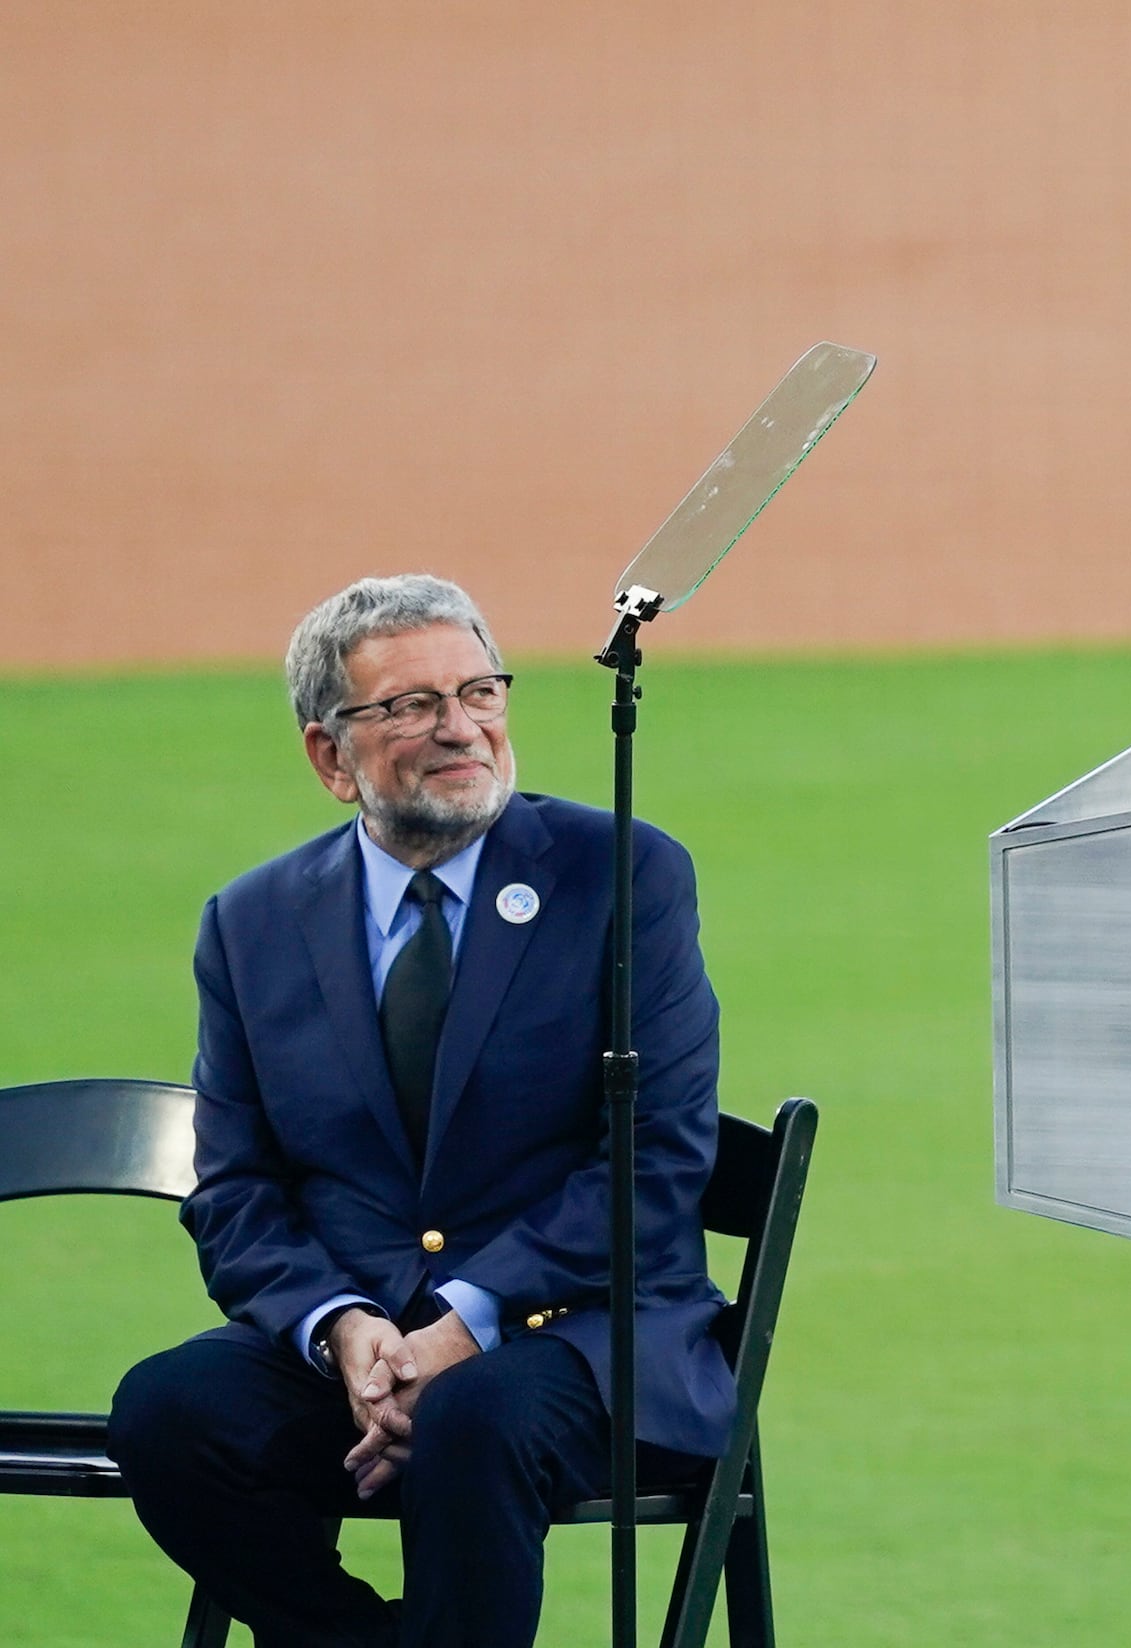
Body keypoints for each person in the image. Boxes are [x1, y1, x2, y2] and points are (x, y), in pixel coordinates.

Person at [106, 575, 731, 1648]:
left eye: (479, 691)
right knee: (172, 1410)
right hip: (359, 1348)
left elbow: (657, 1154)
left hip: (583, 1339)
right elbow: (237, 1189)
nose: (460, 726)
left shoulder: (622, 872)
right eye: (410, 705)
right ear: (328, 755)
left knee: (473, 1417)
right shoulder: (252, 923)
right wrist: (341, 1328)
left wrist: (463, 1326)